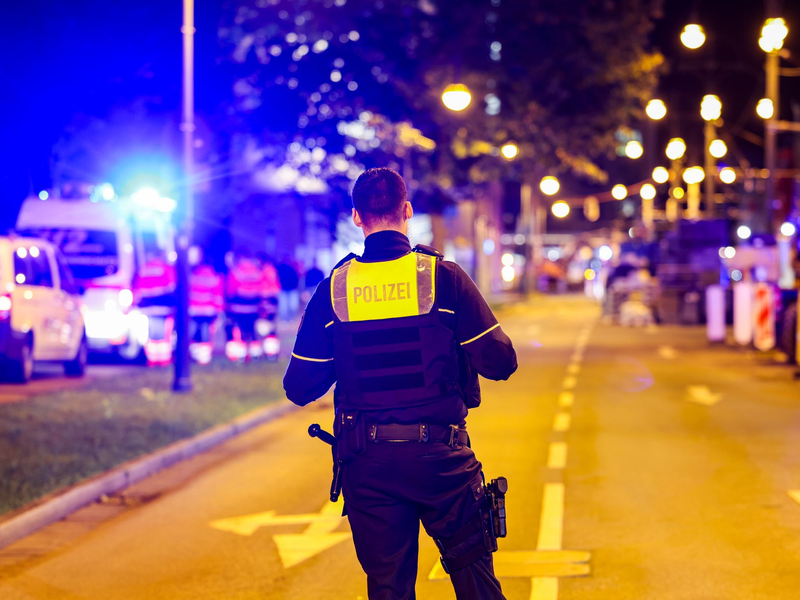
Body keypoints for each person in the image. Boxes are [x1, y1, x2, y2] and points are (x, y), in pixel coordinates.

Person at [283, 168, 517, 600]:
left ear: (357, 217)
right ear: (407, 211)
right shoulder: (443, 278)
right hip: (442, 462)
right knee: (477, 588)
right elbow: (502, 362)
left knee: (388, 590)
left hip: (368, 464)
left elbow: (299, 387)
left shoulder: (335, 289)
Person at [225, 249, 265, 361]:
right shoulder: (257, 271)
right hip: (253, 307)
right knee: (252, 329)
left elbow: (231, 290)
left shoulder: (236, 271)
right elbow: (261, 288)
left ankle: (242, 355)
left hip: (239, 307)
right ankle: (255, 355)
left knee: (241, 330)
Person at [188, 247, 224, 364]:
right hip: (208, 311)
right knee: (205, 334)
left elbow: (188, 293)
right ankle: (203, 359)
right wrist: (219, 312)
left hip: (193, 310)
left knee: (193, 334)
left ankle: (193, 356)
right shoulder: (213, 276)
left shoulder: (193, 275)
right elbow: (218, 296)